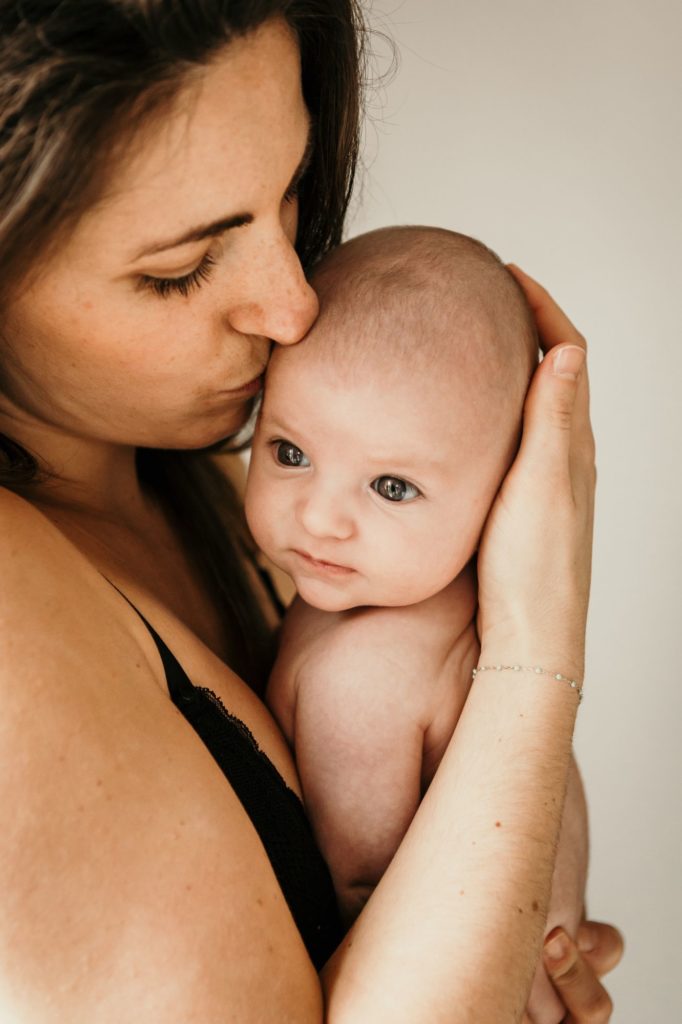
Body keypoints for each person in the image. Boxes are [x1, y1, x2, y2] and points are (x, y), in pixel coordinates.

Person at [0, 2, 621, 1021]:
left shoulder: (211, 487)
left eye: (286, 194)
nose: (293, 305)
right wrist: (536, 645)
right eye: (179, 269)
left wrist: (506, 914)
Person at [245, 224, 590, 1023]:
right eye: (290, 452)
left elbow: (360, 896)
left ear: (507, 489)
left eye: (392, 487)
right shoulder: (442, 601)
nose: (321, 518)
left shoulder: (360, 680)